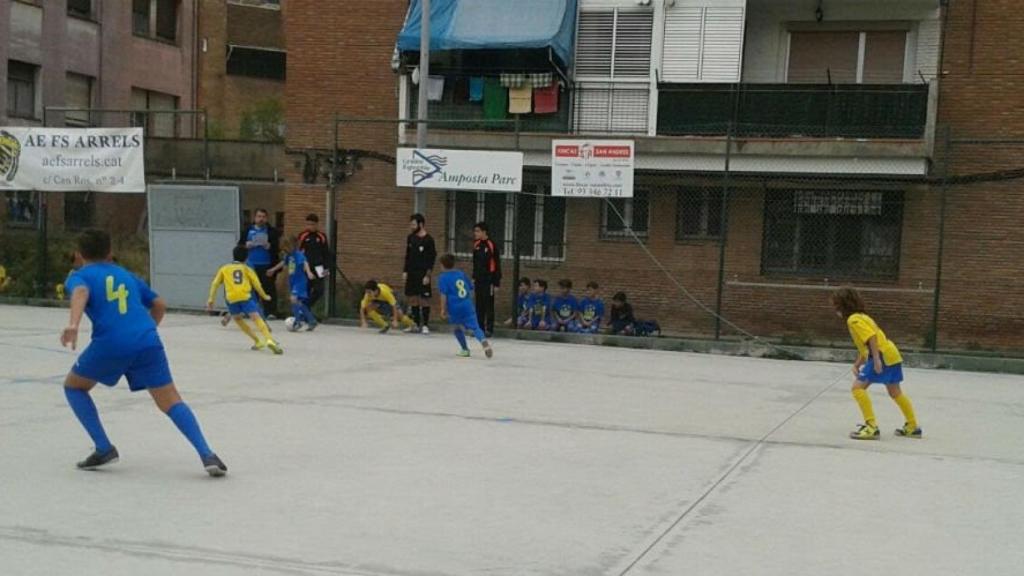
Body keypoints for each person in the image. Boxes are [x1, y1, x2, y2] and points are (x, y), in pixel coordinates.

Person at [60, 229, 227, 476]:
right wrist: (146, 331)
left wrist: (73, 324)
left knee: (74, 387)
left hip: (111, 342)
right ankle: (207, 454)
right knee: (170, 400)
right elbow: (160, 304)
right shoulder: (128, 276)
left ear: (79, 254)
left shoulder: (79, 276)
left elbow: (81, 292)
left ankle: (104, 448)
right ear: (110, 252)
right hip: (148, 340)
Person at [832, 287, 921, 441]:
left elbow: (871, 338)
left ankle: (871, 427)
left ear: (842, 305)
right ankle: (912, 426)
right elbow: (867, 344)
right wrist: (857, 364)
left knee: (857, 389)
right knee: (895, 393)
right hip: (891, 354)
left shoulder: (853, 320)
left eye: (836, 305)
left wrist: (877, 360)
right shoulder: (863, 317)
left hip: (881, 356)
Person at [207, 245, 283, 354]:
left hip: (231, 298)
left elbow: (215, 283)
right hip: (245, 296)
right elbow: (257, 284)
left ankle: (257, 341)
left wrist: (211, 299)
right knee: (256, 318)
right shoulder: (247, 269)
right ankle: (269, 339)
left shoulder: (224, 268)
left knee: (238, 319)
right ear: (246, 258)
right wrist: (265, 296)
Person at [438, 254, 494, 359]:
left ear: (442, 265)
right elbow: (471, 288)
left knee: (456, 327)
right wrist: (469, 301)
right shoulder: (461, 274)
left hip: (454, 306)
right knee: (475, 327)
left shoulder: (443, 277)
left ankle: (465, 349)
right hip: (466, 304)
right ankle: (483, 341)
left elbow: (443, 295)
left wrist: (442, 309)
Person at [268, 236, 317, 332]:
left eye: (286, 247)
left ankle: (298, 322)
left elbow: (305, 263)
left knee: (294, 299)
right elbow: (283, 263)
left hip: (300, 281)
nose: (284, 250)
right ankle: (311, 320)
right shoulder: (288, 256)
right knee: (298, 302)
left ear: (292, 246)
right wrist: (273, 270)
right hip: (293, 281)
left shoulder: (298, 254)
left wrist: (309, 272)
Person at [241, 208, 280, 318]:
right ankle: (250, 310)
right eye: (259, 216)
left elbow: (277, 248)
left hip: (266, 264)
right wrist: (246, 245)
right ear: (255, 218)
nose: (261, 219)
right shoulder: (247, 230)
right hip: (250, 265)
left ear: (266, 218)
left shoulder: (271, 231)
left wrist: (269, 246)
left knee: (268, 288)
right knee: (250, 289)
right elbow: (240, 245)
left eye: (263, 217)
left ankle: (271, 312)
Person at [404, 213, 437, 334]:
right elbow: (407, 256)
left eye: (413, 224)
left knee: (424, 299)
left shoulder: (429, 240)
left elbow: (431, 258)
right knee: (413, 298)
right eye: (411, 224)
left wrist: (428, 275)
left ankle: (425, 325)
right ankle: (415, 324)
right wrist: (405, 271)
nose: (411, 226)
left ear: (421, 224)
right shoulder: (410, 238)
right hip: (412, 272)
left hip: (423, 273)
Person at [471, 222, 501, 337]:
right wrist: (474, 277)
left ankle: (489, 329)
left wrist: (496, 282)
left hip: (489, 280)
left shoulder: (491, 245)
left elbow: (496, 264)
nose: (475, 233)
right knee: (479, 305)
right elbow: (475, 263)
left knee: (488, 304)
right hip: (479, 280)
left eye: (477, 231)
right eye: (475, 231)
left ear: (484, 232)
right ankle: (480, 328)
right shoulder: (476, 245)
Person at [297, 214, 329, 311]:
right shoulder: (303, 236)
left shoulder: (322, 236)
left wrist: (326, 269)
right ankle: (305, 314)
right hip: (306, 267)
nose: (310, 227)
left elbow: (326, 253)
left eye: (312, 224)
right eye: (308, 224)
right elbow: (299, 252)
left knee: (319, 290)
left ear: (317, 225)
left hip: (319, 267)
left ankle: (306, 306)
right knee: (306, 290)